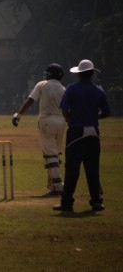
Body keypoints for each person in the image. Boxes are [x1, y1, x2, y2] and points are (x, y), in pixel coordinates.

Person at [53, 59, 110, 212]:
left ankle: (67, 203)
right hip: (93, 131)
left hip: (76, 131)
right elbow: (106, 112)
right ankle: (97, 201)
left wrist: (72, 120)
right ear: (92, 74)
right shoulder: (99, 90)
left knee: (72, 168)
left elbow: (65, 110)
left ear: (79, 74)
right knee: (93, 169)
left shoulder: (71, 89)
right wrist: (93, 116)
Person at [12, 63, 66, 195]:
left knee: (50, 154)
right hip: (62, 121)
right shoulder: (63, 89)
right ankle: (53, 185)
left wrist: (18, 115)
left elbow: (31, 100)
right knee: (55, 153)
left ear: (48, 74)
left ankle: (58, 185)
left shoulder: (42, 84)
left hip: (46, 121)